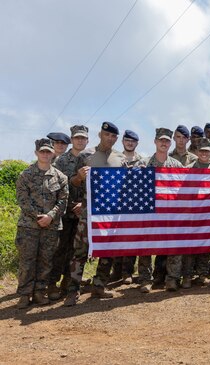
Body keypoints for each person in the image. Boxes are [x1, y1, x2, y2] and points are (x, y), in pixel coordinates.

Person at [64, 122, 127, 307]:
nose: (110, 138)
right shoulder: (85, 155)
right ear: (100, 134)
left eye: (113, 136)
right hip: (89, 211)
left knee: (108, 250)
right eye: (107, 135)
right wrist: (79, 177)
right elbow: (73, 183)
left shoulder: (120, 158)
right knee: (80, 250)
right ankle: (73, 290)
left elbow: (124, 186)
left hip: (110, 212)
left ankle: (99, 285)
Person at [15, 138, 68, 309]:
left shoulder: (61, 177)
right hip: (29, 226)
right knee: (27, 261)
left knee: (46, 261)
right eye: (42, 151)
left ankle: (39, 292)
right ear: (36, 153)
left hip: (51, 226)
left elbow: (63, 201)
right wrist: (39, 217)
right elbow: (22, 200)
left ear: (53, 153)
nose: (45, 154)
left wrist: (50, 216)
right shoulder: (25, 175)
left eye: (48, 151)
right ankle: (24, 294)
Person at [48, 125, 89, 301]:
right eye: (77, 138)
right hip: (65, 213)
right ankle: (52, 284)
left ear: (87, 140)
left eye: (83, 138)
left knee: (77, 250)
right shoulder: (61, 160)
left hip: (83, 212)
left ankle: (69, 282)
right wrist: (73, 203)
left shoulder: (90, 159)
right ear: (72, 140)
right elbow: (55, 188)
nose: (80, 141)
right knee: (60, 249)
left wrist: (83, 204)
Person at [145, 128, 187, 292]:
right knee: (146, 245)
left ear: (170, 143)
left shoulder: (176, 165)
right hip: (150, 211)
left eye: (167, 141)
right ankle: (145, 280)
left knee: (174, 244)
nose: (164, 143)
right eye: (161, 140)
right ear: (155, 142)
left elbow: (184, 188)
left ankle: (172, 279)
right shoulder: (146, 164)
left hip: (171, 212)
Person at [182, 139, 210, 288]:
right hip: (192, 213)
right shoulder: (188, 169)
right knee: (190, 246)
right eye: (202, 151)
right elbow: (183, 192)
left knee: (206, 245)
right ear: (197, 152)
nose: (204, 154)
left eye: (207, 151)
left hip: (209, 214)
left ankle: (202, 275)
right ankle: (187, 276)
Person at [111, 129, 145, 284]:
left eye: (133, 141)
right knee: (117, 238)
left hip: (134, 205)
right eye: (127, 140)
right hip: (116, 203)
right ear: (123, 141)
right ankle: (116, 272)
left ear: (137, 143)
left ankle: (128, 273)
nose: (130, 143)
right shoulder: (114, 158)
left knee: (131, 238)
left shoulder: (142, 161)